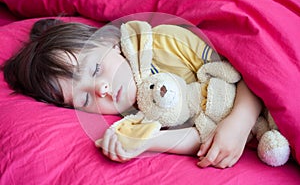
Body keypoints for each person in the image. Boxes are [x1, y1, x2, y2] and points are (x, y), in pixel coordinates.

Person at [2, 18, 262, 169]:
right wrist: (144, 143)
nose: (101, 89)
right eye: (84, 99)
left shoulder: (164, 42)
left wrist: (240, 121)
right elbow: (203, 136)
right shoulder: (134, 114)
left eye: (95, 69)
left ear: (109, 43)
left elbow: (244, 68)